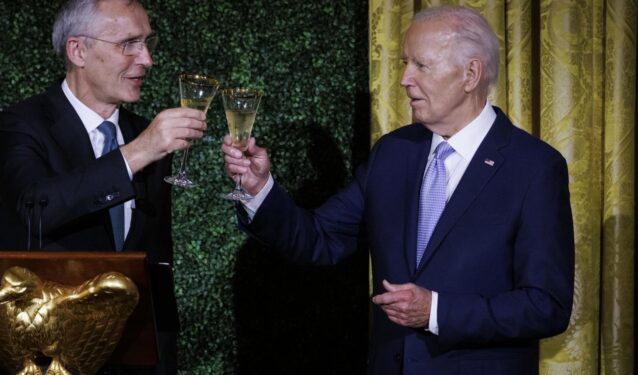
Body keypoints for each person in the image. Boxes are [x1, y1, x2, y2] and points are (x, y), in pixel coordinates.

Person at [222, 5, 574, 374]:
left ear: (471, 74)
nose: (405, 79)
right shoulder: (393, 153)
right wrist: (259, 188)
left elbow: (545, 306)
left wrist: (437, 312)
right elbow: (319, 238)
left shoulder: (534, 167)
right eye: (406, 63)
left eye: (421, 65)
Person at [0, 0, 203, 373]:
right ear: (78, 50)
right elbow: (38, 207)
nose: (147, 59)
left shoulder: (143, 133)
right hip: (41, 358)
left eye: (147, 43)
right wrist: (137, 152)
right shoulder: (18, 125)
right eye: (128, 44)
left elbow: (152, 255)